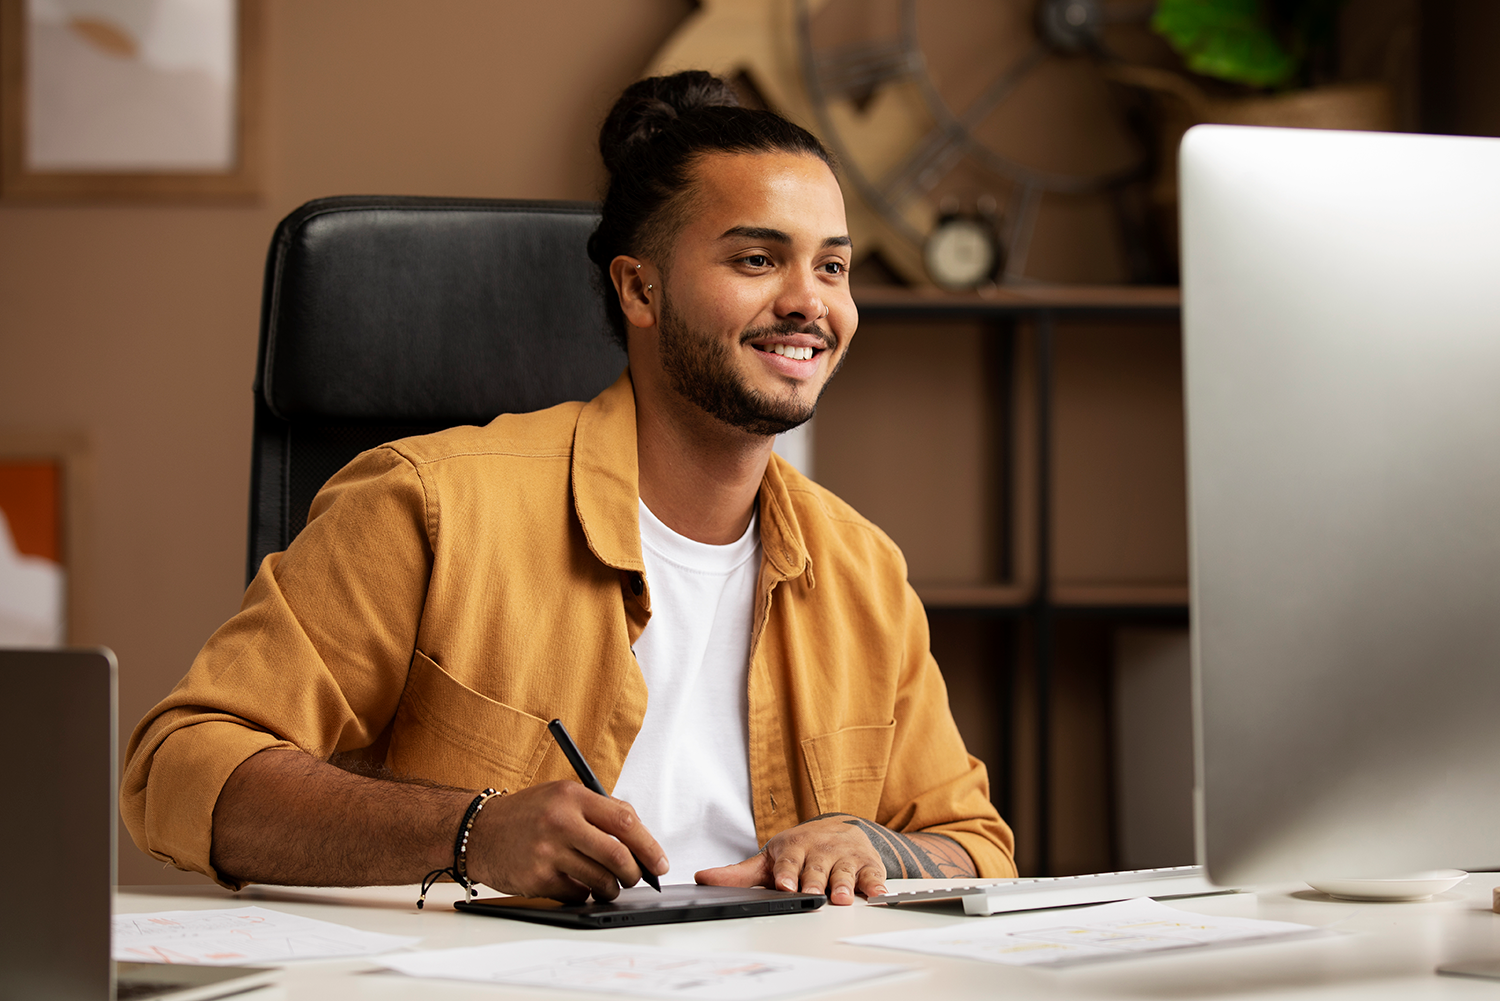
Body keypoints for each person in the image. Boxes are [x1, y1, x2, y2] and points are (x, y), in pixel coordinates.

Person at [121, 71, 1015, 907]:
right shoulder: (427, 506)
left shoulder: (862, 569)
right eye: (756, 260)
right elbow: (178, 766)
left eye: (831, 266)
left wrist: (872, 843)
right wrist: (471, 831)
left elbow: (974, 842)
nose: (809, 302)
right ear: (639, 287)